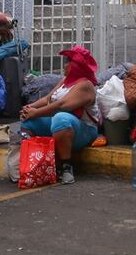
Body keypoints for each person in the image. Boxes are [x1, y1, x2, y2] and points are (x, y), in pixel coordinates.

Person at [20, 45, 101, 185]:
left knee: (60, 118)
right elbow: (47, 99)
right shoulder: (65, 81)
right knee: (29, 123)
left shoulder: (85, 85)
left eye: (68, 61)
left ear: (76, 65)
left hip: (84, 131)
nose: (64, 65)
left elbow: (62, 105)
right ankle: (31, 162)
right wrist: (29, 108)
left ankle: (66, 167)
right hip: (62, 125)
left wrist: (36, 112)